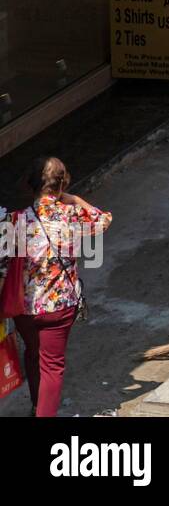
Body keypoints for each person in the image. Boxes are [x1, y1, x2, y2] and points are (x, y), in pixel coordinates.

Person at [0, 157, 110, 417]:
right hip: (60, 307)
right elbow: (102, 219)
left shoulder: (15, 221)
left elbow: (3, 267)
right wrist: (71, 198)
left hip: (24, 307)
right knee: (53, 366)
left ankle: (37, 405)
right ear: (62, 184)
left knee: (33, 353)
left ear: (30, 185)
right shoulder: (70, 215)